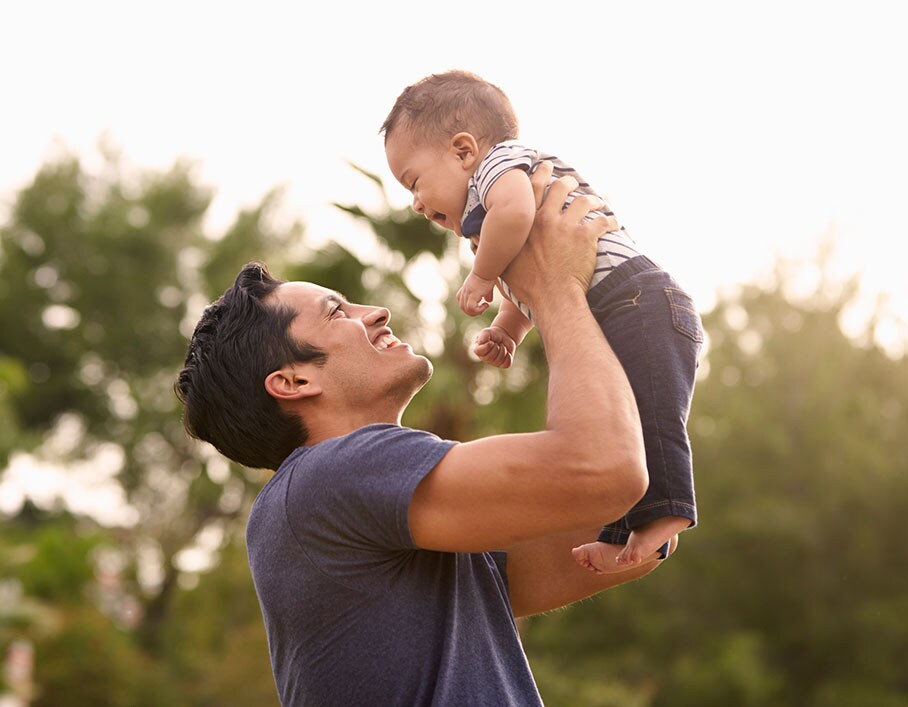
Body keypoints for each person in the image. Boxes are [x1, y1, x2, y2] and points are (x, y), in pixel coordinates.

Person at [176, 169, 670, 706]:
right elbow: (608, 470)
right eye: (338, 311)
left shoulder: (380, 519)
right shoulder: (332, 475)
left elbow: (629, 529)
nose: (376, 312)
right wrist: (554, 290)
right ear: (294, 381)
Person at [382, 69, 703, 572]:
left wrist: (481, 277)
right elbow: (529, 282)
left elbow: (516, 216)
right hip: (617, 306)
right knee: (620, 428)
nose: (417, 203)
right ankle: (626, 533)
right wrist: (508, 328)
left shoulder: (499, 168)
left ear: (464, 150)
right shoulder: (483, 207)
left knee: (651, 415)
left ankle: (666, 518)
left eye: (414, 182)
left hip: (638, 299)